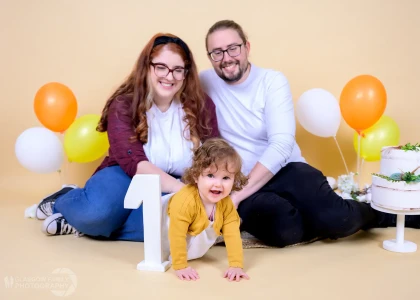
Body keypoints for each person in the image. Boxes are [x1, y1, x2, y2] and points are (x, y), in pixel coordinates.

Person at [199, 20, 420, 248]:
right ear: (210, 56)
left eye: (233, 48)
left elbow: (282, 145)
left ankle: (379, 213)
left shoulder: (272, 81)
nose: (226, 58)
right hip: (242, 179)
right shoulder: (203, 82)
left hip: (288, 170)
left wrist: (235, 198)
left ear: (247, 47)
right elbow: (172, 87)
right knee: (284, 232)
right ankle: (313, 214)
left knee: (338, 220)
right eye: (217, 52)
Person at [36, 33, 220, 241]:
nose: (170, 77)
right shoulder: (123, 105)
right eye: (161, 67)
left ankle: (89, 227)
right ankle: (64, 200)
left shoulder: (202, 106)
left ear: (186, 73)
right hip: (125, 175)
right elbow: (136, 165)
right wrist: (186, 193)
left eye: (178, 70)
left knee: (172, 228)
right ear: (147, 66)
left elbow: (214, 155)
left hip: (177, 180)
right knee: (97, 214)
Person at [162, 138, 249, 282]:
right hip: (167, 231)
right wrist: (180, 266)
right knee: (171, 234)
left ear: (234, 180)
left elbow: (232, 234)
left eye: (226, 178)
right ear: (196, 176)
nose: (218, 184)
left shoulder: (226, 205)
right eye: (210, 175)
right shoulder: (185, 202)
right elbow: (176, 234)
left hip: (193, 242)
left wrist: (236, 265)